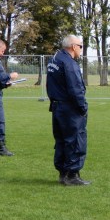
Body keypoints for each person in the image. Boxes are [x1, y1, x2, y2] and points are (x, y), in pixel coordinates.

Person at [46, 35, 91, 186]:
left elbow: (49, 86)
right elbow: (75, 88)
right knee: (75, 140)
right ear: (73, 46)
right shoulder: (69, 63)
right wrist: (82, 107)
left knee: (61, 140)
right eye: (80, 46)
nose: (81, 49)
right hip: (70, 108)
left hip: (57, 106)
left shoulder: (54, 60)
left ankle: (63, 173)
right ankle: (72, 175)